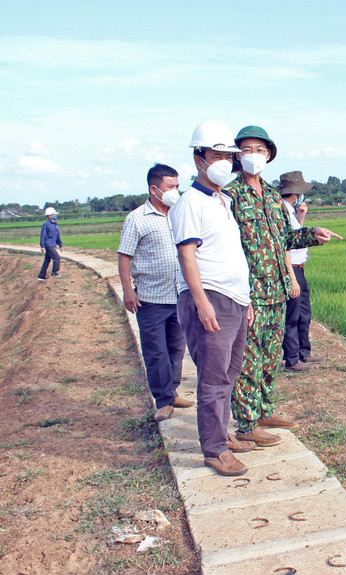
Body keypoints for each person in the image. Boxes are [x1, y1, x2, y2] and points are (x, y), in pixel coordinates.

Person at [224, 125, 343, 449]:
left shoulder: (274, 198)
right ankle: (246, 423)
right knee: (248, 360)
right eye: (246, 150)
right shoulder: (230, 196)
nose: (253, 156)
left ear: (269, 155)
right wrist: (239, 294)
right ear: (237, 155)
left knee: (269, 356)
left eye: (259, 150)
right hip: (248, 294)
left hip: (276, 291)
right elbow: (224, 247)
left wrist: (312, 233)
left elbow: (283, 240)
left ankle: (263, 411)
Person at [170, 119, 257, 477]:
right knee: (213, 376)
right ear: (198, 159)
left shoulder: (223, 200)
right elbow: (187, 255)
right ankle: (214, 449)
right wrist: (201, 301)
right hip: (211, 298)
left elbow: (230, 253)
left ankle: (223, 434)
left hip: (234, 298)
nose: (224, 162)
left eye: (228, 156)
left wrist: (247, 299)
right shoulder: (190, 202)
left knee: (230, 372)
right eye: (216, 155)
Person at [117, 163, 192, 423]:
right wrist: (128, 291)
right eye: (171, 187)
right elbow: (124, 257)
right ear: (154, 188)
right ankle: (162, 400)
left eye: (177, 186)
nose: (175, 191)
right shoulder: (137, 219)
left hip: (179, 296)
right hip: (151, 298)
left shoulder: (179, 214)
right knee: (155, 351)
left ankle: (171, 392)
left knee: (176, 349)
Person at [279, 171, 325, 372]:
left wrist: (301, 218)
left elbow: (295, 238)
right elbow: (284, 246)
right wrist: (291, 278)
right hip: (292, 271)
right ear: (296, 192)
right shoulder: (280, 211)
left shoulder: (291, 212)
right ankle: (292, 359)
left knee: (304, 314)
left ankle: (303, 353)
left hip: (299, 269)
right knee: (293, 316)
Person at [37, 207, 63, 280]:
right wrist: (42, 246)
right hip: (48, 245)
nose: (55, 215)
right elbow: (43, 236)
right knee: (57, 258)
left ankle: (41, 276)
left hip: (53, 244)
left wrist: (60, 245)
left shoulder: (55, 224)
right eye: (53, 214)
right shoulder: (46, 225)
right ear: (49, 216)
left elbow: (57, 236)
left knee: (47, 260)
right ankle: (54, 272)